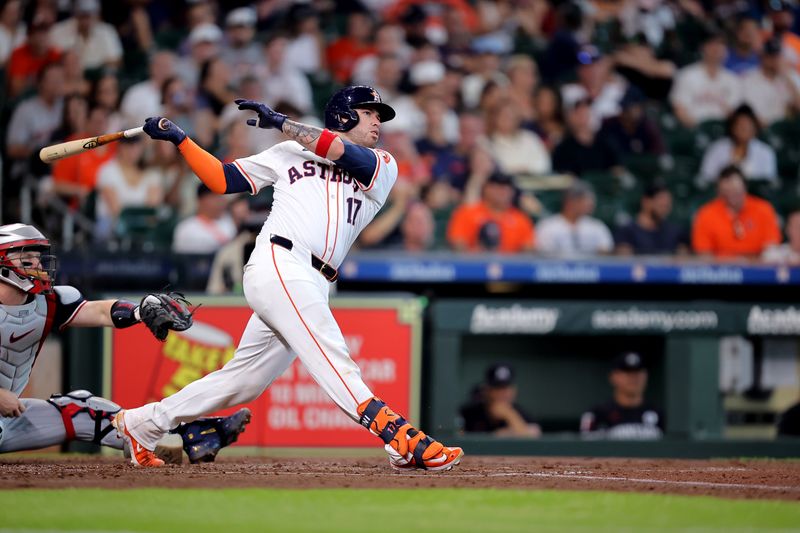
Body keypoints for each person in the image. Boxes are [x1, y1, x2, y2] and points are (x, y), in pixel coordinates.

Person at [114, 85, 464, 470]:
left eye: (379, 115)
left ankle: (142, 424)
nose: (378, 120)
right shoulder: (287, 152)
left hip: (315, 280)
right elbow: (221, 179)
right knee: (334, 356)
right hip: (280, 261)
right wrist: (181, 140)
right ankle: (401, 438)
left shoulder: (383, 164)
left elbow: (337, 151)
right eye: (369, 112)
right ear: (345, 115)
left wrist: (281, 122)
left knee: (244, 381)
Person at [0, 223, 249, 463]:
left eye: (36, 257)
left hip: (6, 422)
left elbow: (97, 312)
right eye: (26, 257)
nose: (37, 264)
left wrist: (141, 311)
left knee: (83, 409)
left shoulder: (49, 302)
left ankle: (190, 436)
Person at [692, 165, 781, 259]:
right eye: (726, 191)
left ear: (745, 187)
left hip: (757, 269)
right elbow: (704, 255)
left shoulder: (764, 209)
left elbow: (771, 250)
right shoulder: (706, 214)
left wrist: (747, 263)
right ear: (719, 192)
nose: (732, 196)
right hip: (721, 271)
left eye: (736, 190)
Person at [580, 352, 664, 440]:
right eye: (627, 372)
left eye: (638, 372)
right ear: (613, 377)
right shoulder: (598, 414)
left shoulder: (660, 414)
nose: (634, 378)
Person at [447, 171, 536, 253]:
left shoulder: (520, 218)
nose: (503, 191)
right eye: (497, 186)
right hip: (474, 265)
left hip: (510, 267)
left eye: (507, 187)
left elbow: (528, 251)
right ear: (486, 188)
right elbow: (457, 246)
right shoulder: (466, 213)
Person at [669, 29, 741, 128]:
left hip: (724, 130)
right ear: (703, 47)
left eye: (720, 44)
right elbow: (680, 110)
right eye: (712, 43)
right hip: (695, 129)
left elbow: (734, 113)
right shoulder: (686, 75)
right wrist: (697, 130)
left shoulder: (733, 79)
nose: (716, 48)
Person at [698, 105, 778, 187]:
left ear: (755, 128)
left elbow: (769, 183)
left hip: (754, 196)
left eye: (748, 126)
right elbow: (706, 178)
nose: (744, 129)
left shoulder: (766, 152)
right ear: (732, 128)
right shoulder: (717, 148)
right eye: (740, 126)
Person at [536, 181, 614, 257]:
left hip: (589, 269)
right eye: (583, 200)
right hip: (556, 269)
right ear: (569, 201)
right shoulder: (548, 226)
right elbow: (545, 257)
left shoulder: (597, 226)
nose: (590, 204)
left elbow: (605, 255)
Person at [459, 363, 541, 437]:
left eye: (505, 388)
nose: (502, 393)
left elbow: (532, 437)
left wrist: (510, 415)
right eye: (497, 388)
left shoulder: (521, 413)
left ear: (514, 390)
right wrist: (495, 435)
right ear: (487, 390)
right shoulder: (470, 413)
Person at [48, 0, 122, 71]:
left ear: (97, 15)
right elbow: (54, 61)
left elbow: (116, 61)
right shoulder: (58, 30)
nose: (86, 21)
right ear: (75, 14)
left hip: (99, 77)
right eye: (83, 16)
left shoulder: (107, 31)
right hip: (67, 77)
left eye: (89, 16)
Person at [615, 183, 688, 255]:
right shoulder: (627, 232)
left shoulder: (675, 233)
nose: (665, 209)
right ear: (646, 202)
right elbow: (625, 262)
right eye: (661, 204)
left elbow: (683, 261)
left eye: (667, 205)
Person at [741, 38, 800, 126]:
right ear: (763, 57)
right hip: (759, 128)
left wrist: (786, 77)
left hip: (785, 129)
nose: (774, 60)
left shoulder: (791, 77)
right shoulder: (748, 78)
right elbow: (746, 112)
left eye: (777, 56)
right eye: (771, 56)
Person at [172, 184, 237, 255]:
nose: (221, 202)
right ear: (201, 200)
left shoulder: (229, 223)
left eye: (222, 198)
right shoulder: (185, 228)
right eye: (216, 198)